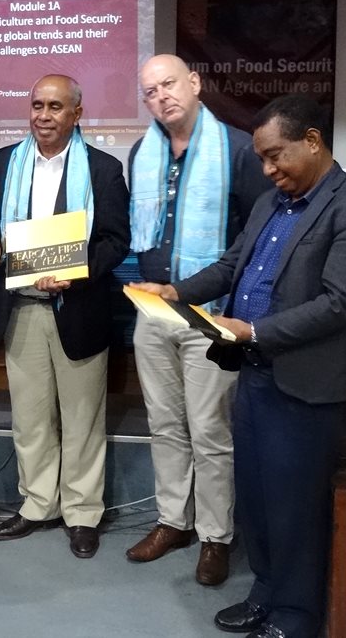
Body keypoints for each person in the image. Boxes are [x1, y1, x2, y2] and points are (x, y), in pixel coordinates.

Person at [132, 94, 346, 638]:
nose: (269, 170)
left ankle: (296, 616)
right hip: (253, 375)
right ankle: (266, 593)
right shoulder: (272, 203)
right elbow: (231, 266)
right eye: (263, 159)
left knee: (296, 506)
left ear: (313, 142)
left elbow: (340, 303)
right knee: (258, 499)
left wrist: (257, 331)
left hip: (306, 385)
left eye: (277, 157)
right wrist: (176, 290)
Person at [0, 74, 130, 558]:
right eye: (37, 105)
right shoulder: (4, 162)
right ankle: (38, 504)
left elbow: (115, 241)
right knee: (31, 417)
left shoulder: (102, 169)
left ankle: (82, 513)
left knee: (82, 418)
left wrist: (75, 273)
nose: (43, 115)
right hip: (21, 308)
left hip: (77, 307)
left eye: (55, 107)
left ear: (76, 114)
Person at [125, 54, 270, 585]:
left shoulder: (236, 149)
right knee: (165, 424)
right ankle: (172, 522)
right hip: (154, 310)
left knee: (211, 430)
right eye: (149, 90)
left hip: (213, 314)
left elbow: (256, 240)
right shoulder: (142, 152)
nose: (160, 96)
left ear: (194, 83)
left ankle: (215, 536)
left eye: (168, 84)